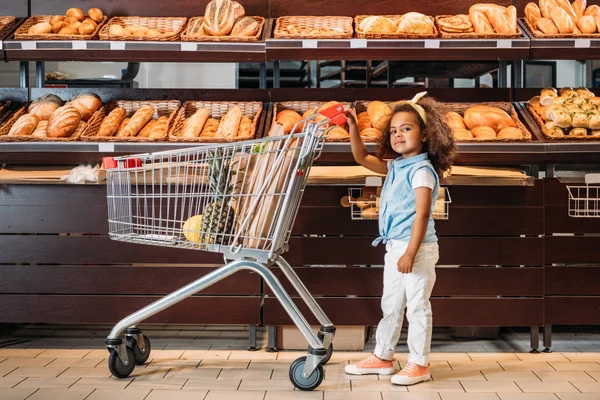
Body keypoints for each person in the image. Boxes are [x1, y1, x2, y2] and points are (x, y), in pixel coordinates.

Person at [344, 92, 456, 386]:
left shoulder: (421, 171)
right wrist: (353, 126)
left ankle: (419, 363)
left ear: (425, 134)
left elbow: (421, 216)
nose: (398, 135)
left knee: (418, 304)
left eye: (406, 128)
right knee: (391, 304)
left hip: (417, 249)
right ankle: (383, 356)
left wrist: (409, 253)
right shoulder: (396, 166)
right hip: (395, 246)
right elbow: (361, 157)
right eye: (393, 130)